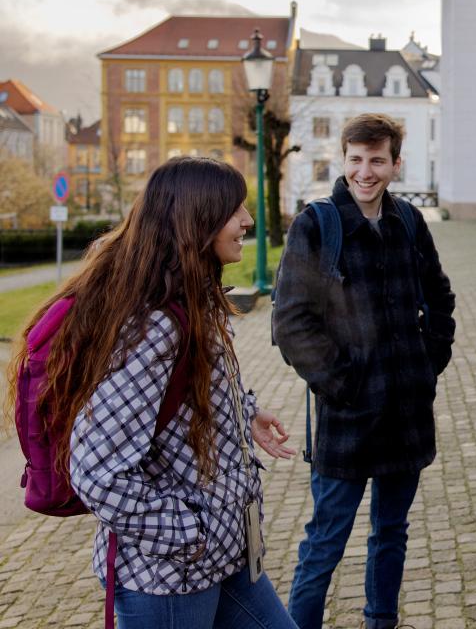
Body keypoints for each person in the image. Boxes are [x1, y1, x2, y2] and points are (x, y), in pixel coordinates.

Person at [5, 156, 298, 628]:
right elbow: (97, 471)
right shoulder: (155, 328)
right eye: (234, 210)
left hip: (226, 553)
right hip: (170, 579)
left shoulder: (193, 294)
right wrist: (190, 533)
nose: (247, 220)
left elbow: (198, 390)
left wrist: (247, 414)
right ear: (195, 220)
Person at [273, 113, 456, 629]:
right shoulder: (317, 224)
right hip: (348, 418)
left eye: (377, 160)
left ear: (396, 164)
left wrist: (428, 361)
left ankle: (382, 621)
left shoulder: (409, 222)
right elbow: (291, 322)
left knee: (391, 532)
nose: (365, 171)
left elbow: (439, 295)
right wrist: (342, 384)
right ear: (344, 160)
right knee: (325, 542)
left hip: (406, 414)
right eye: (356, 159)